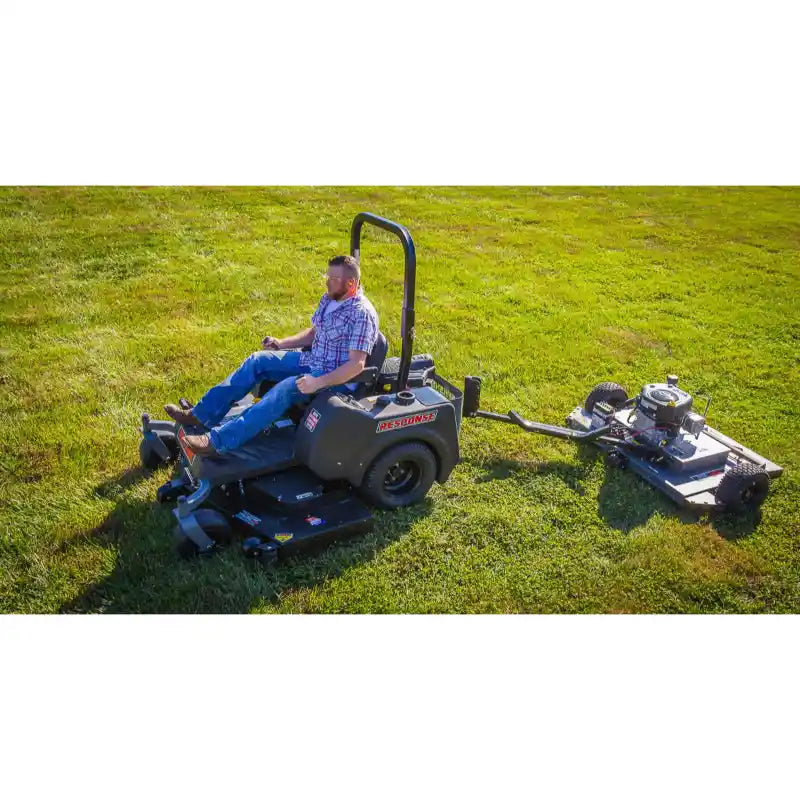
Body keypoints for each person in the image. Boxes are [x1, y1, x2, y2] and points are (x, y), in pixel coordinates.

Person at [164, 255, 379, 455]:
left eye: (333, 278)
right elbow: (315, 333)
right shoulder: (331, 298)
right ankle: (200, 415)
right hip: (313, 360)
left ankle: (216, 442)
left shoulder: (362, 314)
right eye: (328, 276)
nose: (327, 281)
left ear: (351, 284)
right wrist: (282, 343)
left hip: (333, 379)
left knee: (284, 389)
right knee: (258, 361)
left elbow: (356, 365)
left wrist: (317, 382)